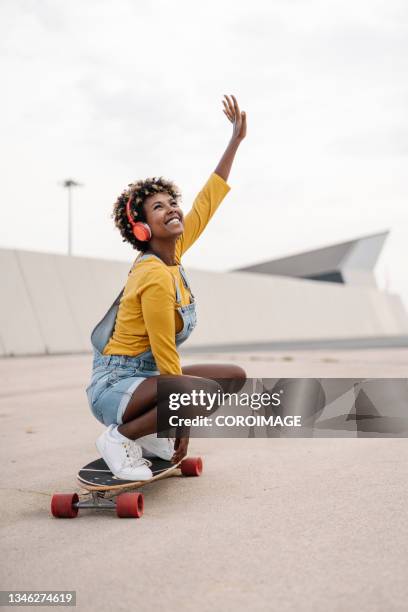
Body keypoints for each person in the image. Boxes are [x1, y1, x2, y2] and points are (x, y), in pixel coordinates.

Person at [86, 94, 247, 480]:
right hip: (115, 388)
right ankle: (120, 438)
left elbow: (208, 200)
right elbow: (166, 359)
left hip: (145, 381)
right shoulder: (154, 274)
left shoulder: (174, 252)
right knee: (198, 391)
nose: (172, 208)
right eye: (158, 208)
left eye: (172, 202)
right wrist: (182, 428)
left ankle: (146, 435)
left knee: (232, 376)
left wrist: (235, 141)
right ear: (142, 229)